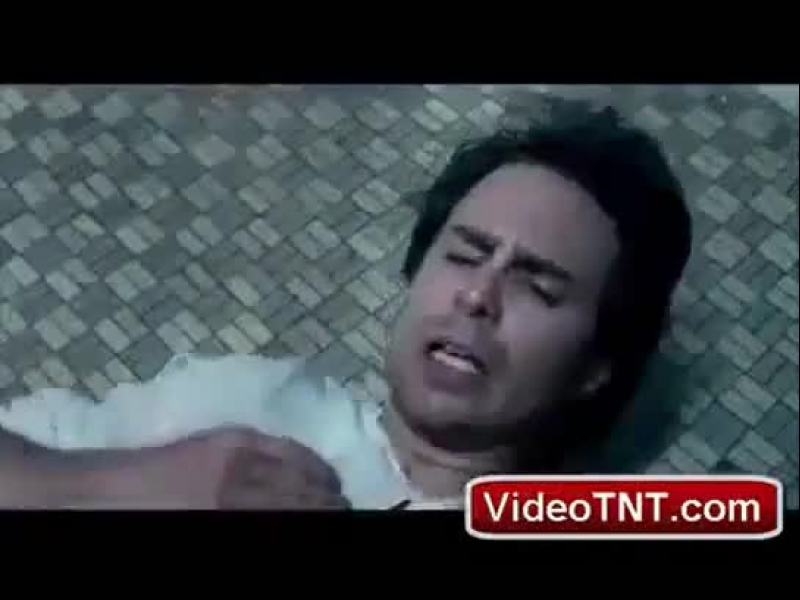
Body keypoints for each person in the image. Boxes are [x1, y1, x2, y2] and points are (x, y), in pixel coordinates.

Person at [0, 97, 692, 510]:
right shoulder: (243, 403)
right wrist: (119, 483)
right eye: (464, 254)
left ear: (595, 367)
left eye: (536, 286)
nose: (479, 295)